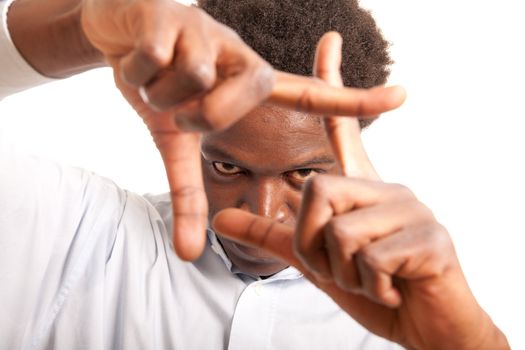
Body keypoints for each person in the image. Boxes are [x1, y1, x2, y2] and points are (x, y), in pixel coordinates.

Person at [0, 1, 508, 350]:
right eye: (227, 166)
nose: (261, 213)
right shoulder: (79, 235)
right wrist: (81, 26)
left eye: (302, 173)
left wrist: (468, 342)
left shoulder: (403, 306)